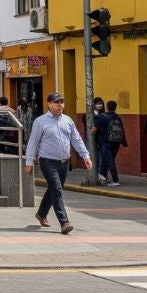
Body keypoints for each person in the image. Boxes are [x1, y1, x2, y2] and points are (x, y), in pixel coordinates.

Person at [25, 92, 92, 234]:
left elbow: (76, 139)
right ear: (49, 104)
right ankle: (64, 222)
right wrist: (29, 161)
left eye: (62, 102)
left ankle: (41, 214)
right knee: (57, 190)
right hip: (47, 161)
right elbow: (33, 142)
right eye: (57, 102)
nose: (60, 105)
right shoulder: (40, 122)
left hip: (64, 162)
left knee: (54, 189)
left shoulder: (67, 120)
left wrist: (85, 155)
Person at [95, 100, 128, 186]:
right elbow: (122, 129)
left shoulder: (102, 116)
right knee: (108, 158)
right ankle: (103, 175)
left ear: (107, 107)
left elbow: (93, 130)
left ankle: (115, 180)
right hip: (116, 142)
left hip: (106, 142)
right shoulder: (117, 117)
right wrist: (124, 141)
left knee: (110, 161)